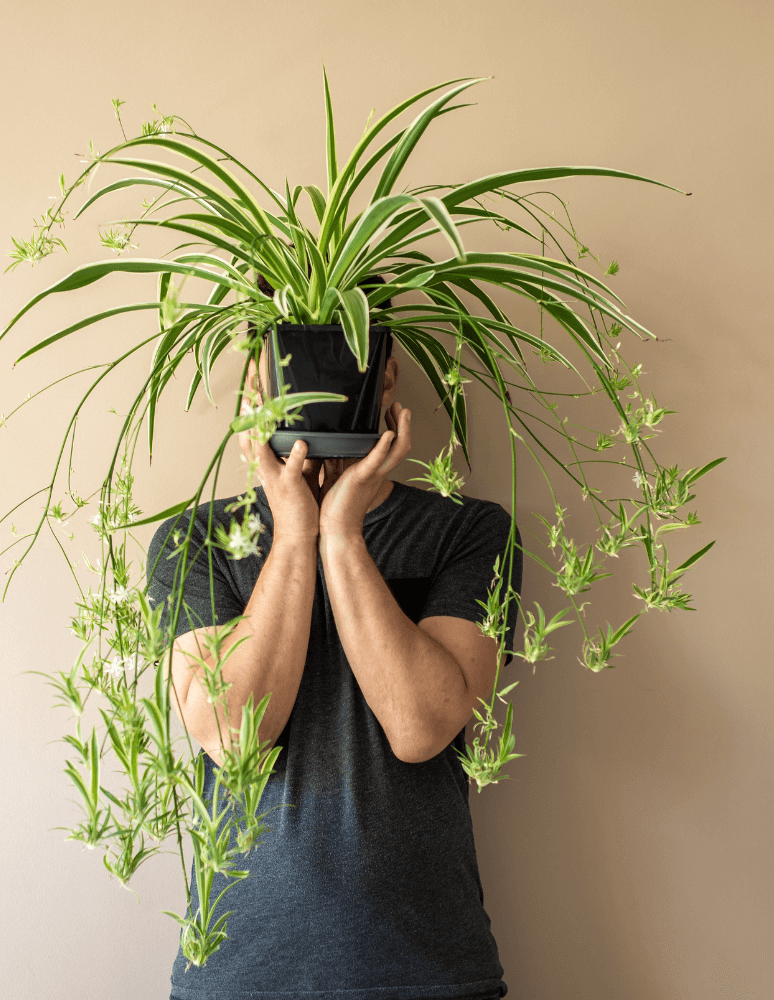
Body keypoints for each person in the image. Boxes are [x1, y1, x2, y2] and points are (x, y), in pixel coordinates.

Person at [146, 332, 523, 1000]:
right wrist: (294, 535)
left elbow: (420, 727)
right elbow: (235, 736)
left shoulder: (469, 533)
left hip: (429, 975)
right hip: (238, 977)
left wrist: (343, 535)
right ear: (255, 387)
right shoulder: (196, 541)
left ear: (387, 379)